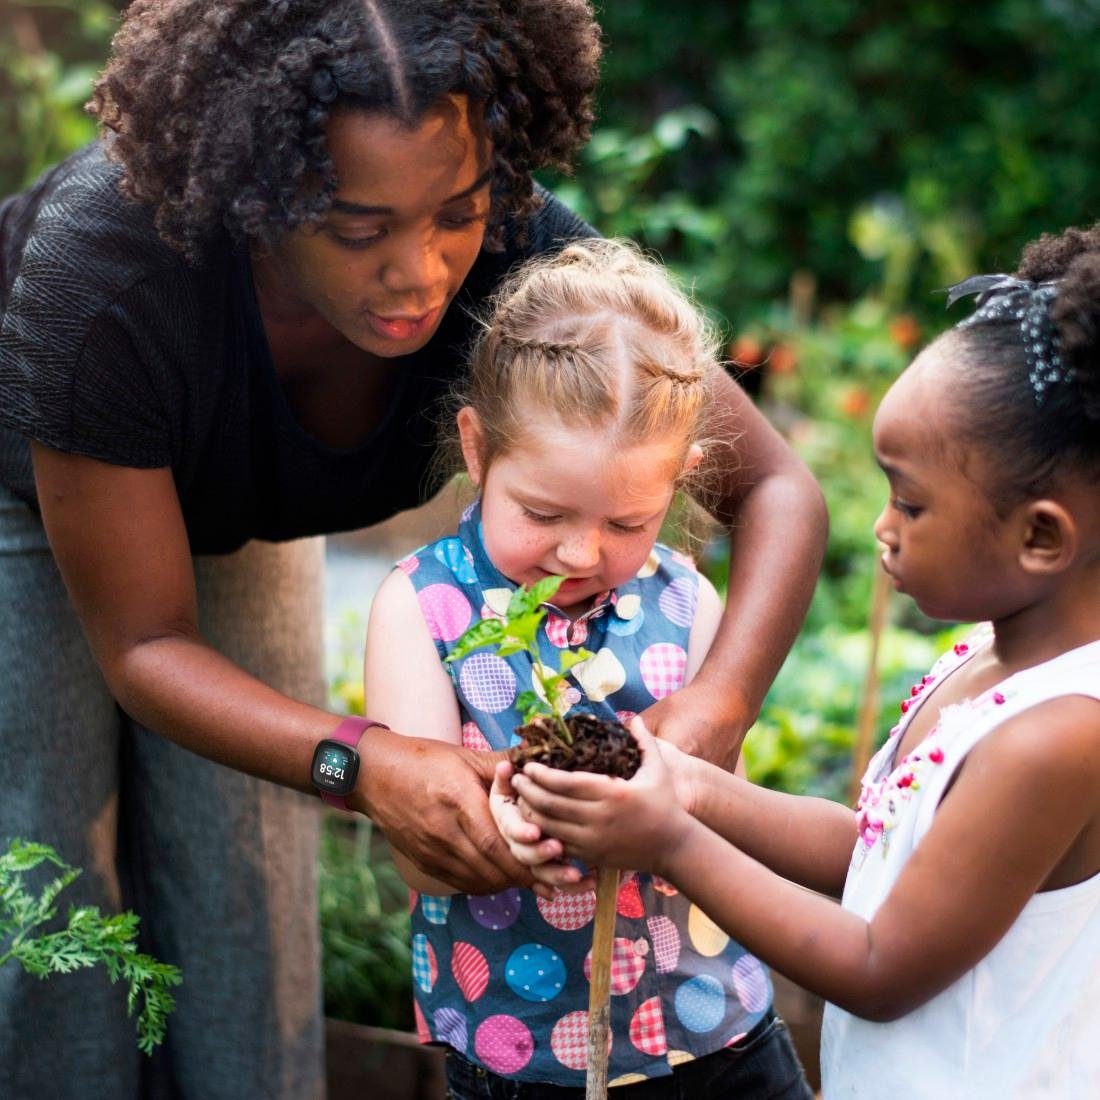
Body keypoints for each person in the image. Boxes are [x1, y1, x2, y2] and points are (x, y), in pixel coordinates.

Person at [0, 2, 827, 1097]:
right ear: (259, 199)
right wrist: (358, 759)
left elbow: (773, 485)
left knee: (245, 887)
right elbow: (146, 644)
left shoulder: (516, 249)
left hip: (246, 508)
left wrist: (714, 711)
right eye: (357, 229)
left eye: (456, 213)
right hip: (31, 491)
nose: (421, 272)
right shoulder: (100, 275)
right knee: (48, 887)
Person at [502, 225, 1100, 1097]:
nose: (881, 528)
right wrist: (691, 787)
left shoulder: (1058, 737)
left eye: (911, 502)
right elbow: (874, 853)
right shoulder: (986, 662)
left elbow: (879, 965)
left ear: (1040, 537)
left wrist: (669, 839)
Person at [364, 238, 815, 1097]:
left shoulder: (687, 606)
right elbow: (420, 854)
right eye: (542, 512)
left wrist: (673, 806)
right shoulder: (422, 609)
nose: (579, 551)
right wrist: (513, 828)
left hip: (714, 1030)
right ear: (476, 448)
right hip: (524, 1049)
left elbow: (728, 810)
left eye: (629, 521)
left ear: (681, 482)